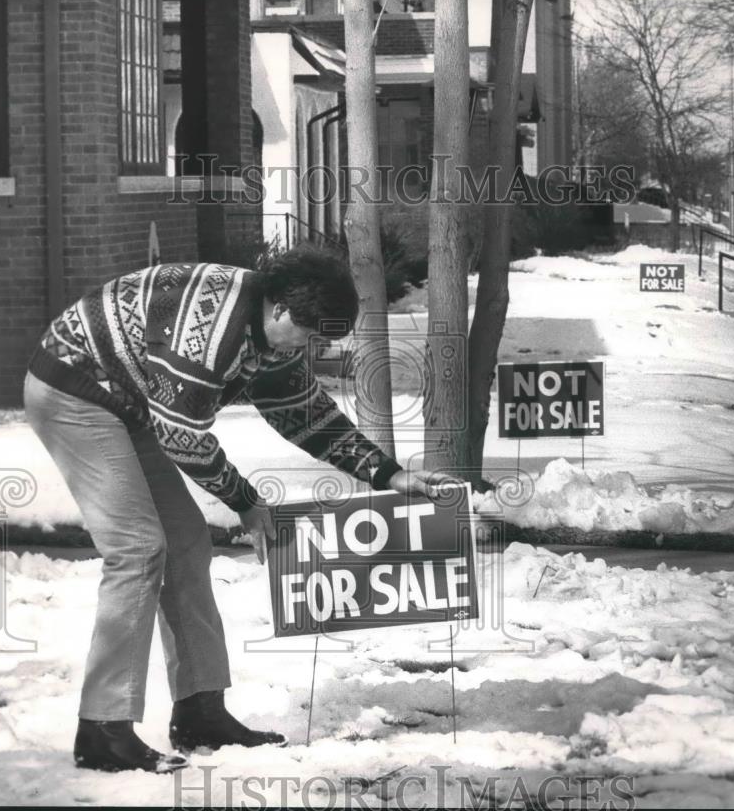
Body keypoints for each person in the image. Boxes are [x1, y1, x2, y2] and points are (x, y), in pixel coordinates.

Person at [23, 244, 454, 773]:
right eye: (311, 334)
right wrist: (247, 503)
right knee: (136, 551)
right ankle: (102, 732)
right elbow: (182, 436)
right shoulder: (214, 327)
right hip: (74, 392)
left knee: (185, 544)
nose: (312, 348)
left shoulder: (277, 332)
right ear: (280, 311)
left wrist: (389, 474)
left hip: (132, 404)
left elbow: (306, 416)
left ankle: (200, 712)